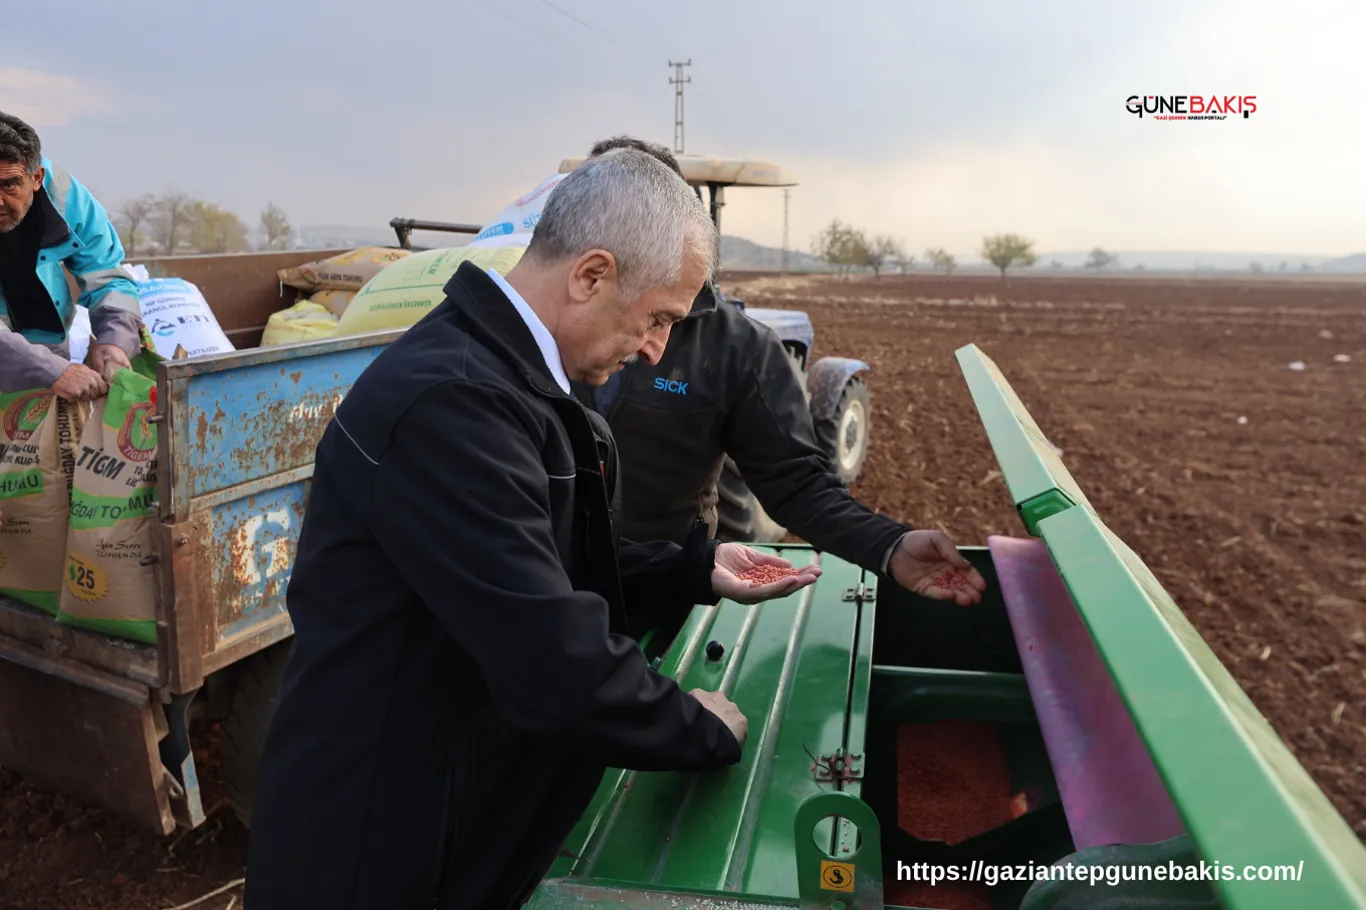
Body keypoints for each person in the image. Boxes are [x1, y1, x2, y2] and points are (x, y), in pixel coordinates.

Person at [243, 148, 822, 910]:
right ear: (591, 275)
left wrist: (692, 567)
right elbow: (549, 654)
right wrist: (698, 725)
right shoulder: (452, 405)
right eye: (657, 319)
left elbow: (537, 553)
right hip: (382, 846)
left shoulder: (511, 381)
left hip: (451, 801)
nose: (656, 348)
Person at [550, 137, 987, 642]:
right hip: (530, 581)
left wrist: (888, 546)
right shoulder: (541, 326)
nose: (652, 344)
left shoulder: (737, 349)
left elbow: (795, 480)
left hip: (651, 594)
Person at [0, 111, 142, 398]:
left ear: (36, 177)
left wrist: (114, 341)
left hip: (44, 328)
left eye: (9, 184)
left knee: (49, 429)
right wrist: (50, 370)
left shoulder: (68, 200)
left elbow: (109, 278)